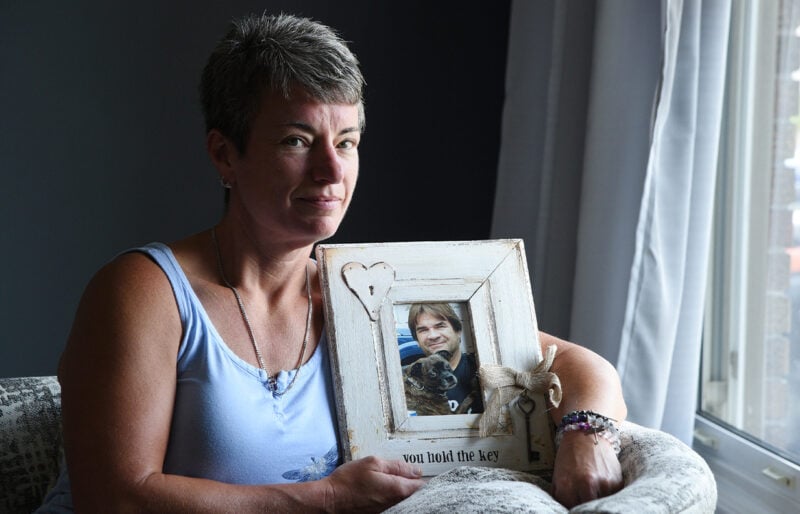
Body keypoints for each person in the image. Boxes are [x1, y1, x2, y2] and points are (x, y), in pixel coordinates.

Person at [38, 12, 626, 512]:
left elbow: (579, 366)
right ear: (224, 153)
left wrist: (585, 434)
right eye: (296, 140)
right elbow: (113, 497)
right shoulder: (146, 290)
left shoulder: (368, 295)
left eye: (346, 142)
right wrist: (323, 498)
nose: (331, 172)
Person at [406, 303, 483, 414]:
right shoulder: (408, 384)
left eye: (440, 326)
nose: (433, 335)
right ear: (416, 339)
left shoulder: (481, 369)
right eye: (423, 330)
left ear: (458, 331)